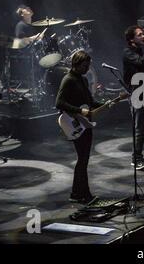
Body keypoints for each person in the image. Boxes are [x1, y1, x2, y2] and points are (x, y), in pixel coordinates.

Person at [56, 50, 102, 204]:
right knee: (82, 159)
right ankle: (83, 194)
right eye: (84, 65)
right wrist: (79, 110)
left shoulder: (82, 80)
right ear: (76, 64)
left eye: (88, 66)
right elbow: (59, 103)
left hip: (85, 123)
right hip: (75, 123)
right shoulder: (68, 79)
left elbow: (90, 102)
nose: (87, 69)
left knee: (84, 159)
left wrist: (108, 103)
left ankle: (77, 193)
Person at [123, 25, 144, 170]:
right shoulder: (128, 52)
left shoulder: (138, 50)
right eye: (140, 35)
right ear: (131, 39)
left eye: (143, 34)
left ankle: (139, 156)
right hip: (136, 93)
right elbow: (142, 62)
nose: (143, 36)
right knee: (139, 127)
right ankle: (136, 159)